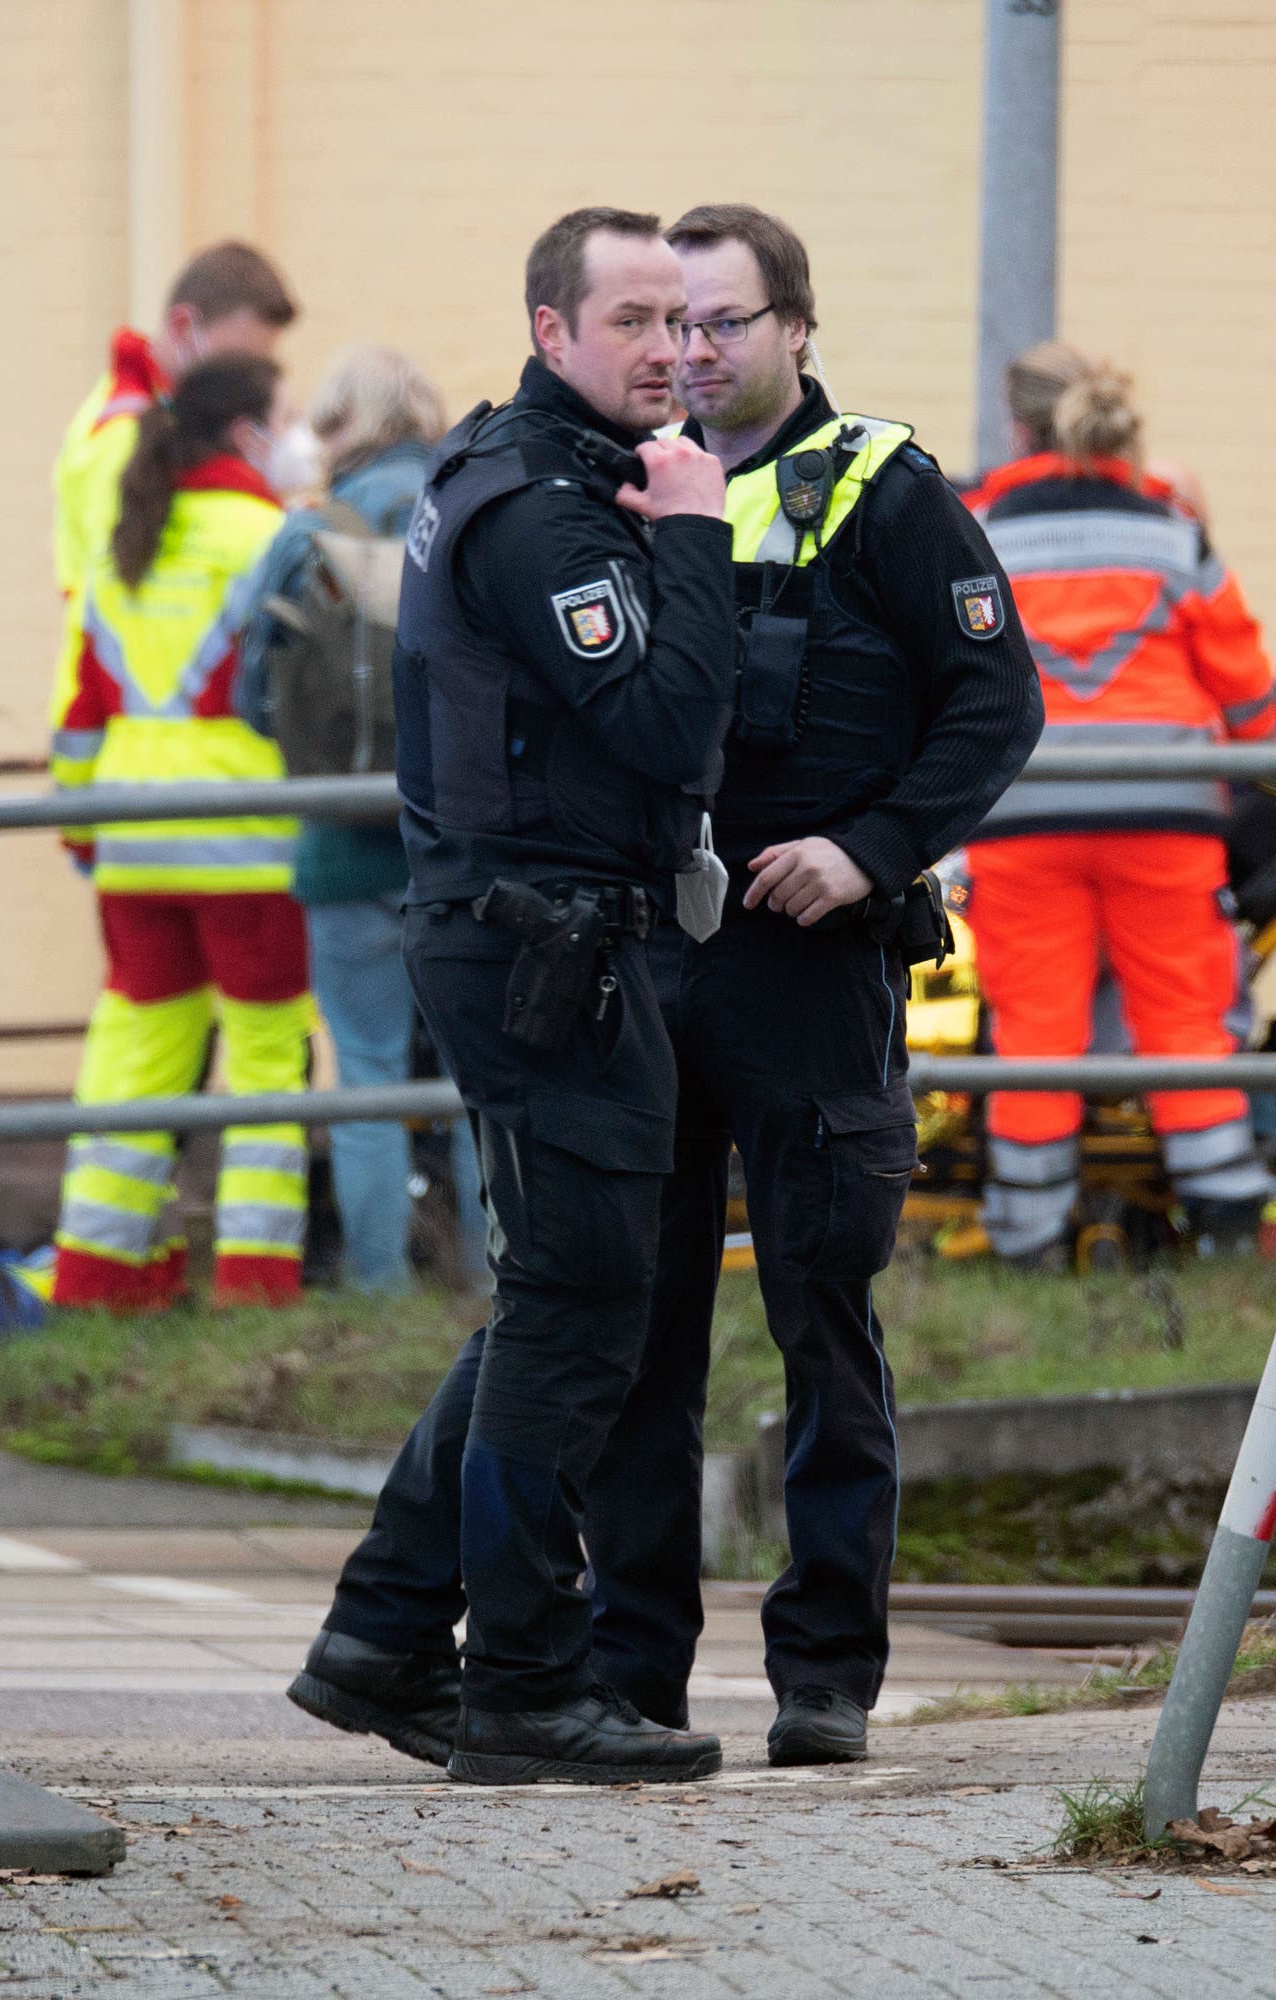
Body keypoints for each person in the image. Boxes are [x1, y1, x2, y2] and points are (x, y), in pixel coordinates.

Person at [581, 203, 1041, 1768]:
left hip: (811, 966)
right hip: (653, 959)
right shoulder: (618, 477)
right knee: (637, 1334)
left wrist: (871, 849)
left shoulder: (889, 496)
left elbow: (995, 706)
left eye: (723, 323)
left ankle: (824, 1677)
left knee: (822, 1324)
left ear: (796, 326)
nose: (692, 355)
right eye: (670, 326)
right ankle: (630, 1675)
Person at [287, 207, 736, 1786]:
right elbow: (670, 725)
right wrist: (696, 532)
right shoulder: (545, 508)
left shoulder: (518, 469)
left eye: (685, 321)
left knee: (558, 1297)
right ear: (551, 331)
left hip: (545, 933)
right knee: (578, 1315)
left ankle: (387, 1635)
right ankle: (525, 1688)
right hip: (545, 945)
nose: (673, 351)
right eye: (634, 322)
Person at [960, 345, 1276, 1262]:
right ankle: (1226, 1227)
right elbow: (1248, 689)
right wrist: (1257, 754)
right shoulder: (1172, 533)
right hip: (1167, 815)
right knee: (1185, 1018)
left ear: (1017, 427)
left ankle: (1026, 1239)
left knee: (1034, 1033)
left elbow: (944, 673)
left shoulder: (976, 529)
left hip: (1024, 814)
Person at [47, 356, 316, 1312]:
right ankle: (254, 1282)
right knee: (265, 1060)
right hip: (249, 839)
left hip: (129, 840)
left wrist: (82, 830)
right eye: (285, 416)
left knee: (133, 1055)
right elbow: (310, 697)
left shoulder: (126, 540)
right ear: (246, 432)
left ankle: (93, 1275)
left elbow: (78, 709)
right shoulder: (272, 536)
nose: (296, 436)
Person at [232, 345, 491, 1295]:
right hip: (466, 847)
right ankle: (504, 1296)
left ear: (344, 426)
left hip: (343, 842)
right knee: (482, 1083)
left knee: (370, 1075)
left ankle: (377, 1297)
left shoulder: (306, 535)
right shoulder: (474, 510)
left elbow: (250, 694)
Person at [54, 244, 299, 600]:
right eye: (238, 361)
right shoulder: (120, 438)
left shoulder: (170, 421)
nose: (249, 382)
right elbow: (128, 581)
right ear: (184, 327)